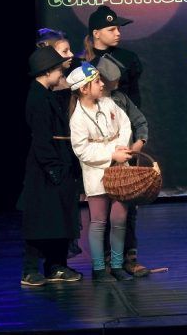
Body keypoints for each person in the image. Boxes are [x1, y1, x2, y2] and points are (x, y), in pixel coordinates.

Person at [20, 47, 82, 286]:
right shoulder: (37, 98)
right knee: (40, 219)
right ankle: (30, 270)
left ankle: (56, 265)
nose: (61, 73)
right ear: (47, 72)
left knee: (59, 218)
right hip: (45, 168)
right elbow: (41, 138)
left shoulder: (47, 95)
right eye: (57, 69)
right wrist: (53, 167)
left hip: (58, 164)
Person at [67, 62, 134, 282]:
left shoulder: (108, 103)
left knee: (119, 218)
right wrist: (111, 154)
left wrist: (121, 147)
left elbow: (125, 124)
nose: (102, 84)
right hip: (97, 172)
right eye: (96, 81)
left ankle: (117, 265)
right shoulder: (78, 118)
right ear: (83, 88)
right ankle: (98, 269)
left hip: (119, 169)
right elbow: (82, 150)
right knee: (98, 221)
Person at [95, 55, 150, 277]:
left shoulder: (120, 99)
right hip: (101, 164)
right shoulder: (91, 102)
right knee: (102, 214)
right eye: (113, 79)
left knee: (127, 211)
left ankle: (128, 257)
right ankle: (106, 260)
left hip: (124, 163)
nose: (117, 83)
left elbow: (139, 122)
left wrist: (138, 143)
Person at [83, 6, 143, 107]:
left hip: (123, 113)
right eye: (111, 30)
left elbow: (134, 94)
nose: (118, 33)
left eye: (118, 29)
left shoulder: (128, 58)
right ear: (96, 34)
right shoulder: (81, 61)